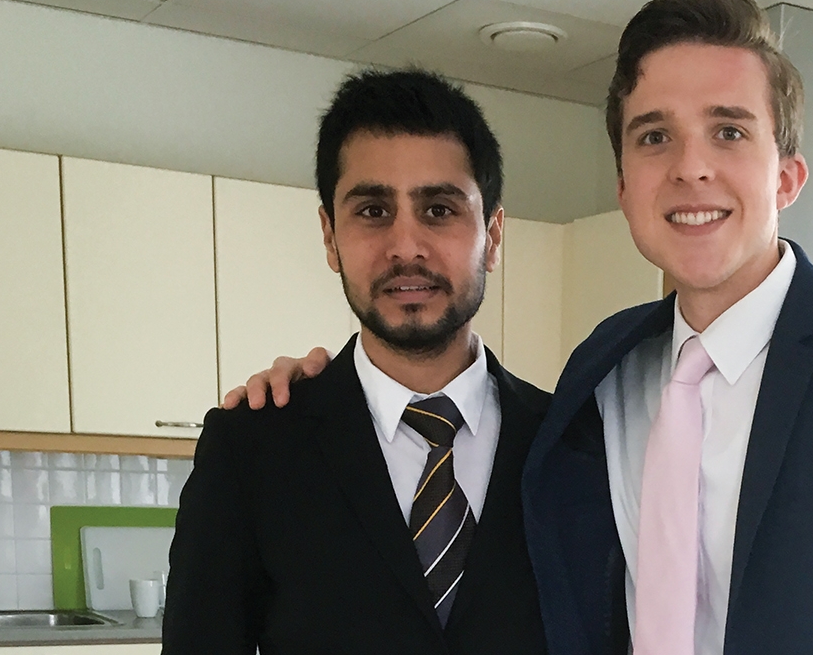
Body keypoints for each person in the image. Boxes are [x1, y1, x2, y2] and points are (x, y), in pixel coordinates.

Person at [235, 0, 813, 655]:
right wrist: (322, 391)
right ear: (623, 184)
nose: (690, 166)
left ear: (788, 174)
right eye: (654, 136)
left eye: (729, 130)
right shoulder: (603, 372)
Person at [164, 69, 549, 655]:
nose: (406, 246)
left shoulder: (568, 442)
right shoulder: (251, 449)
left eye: (440, 209)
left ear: (492, 235)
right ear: (329, 235)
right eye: (372, 210)